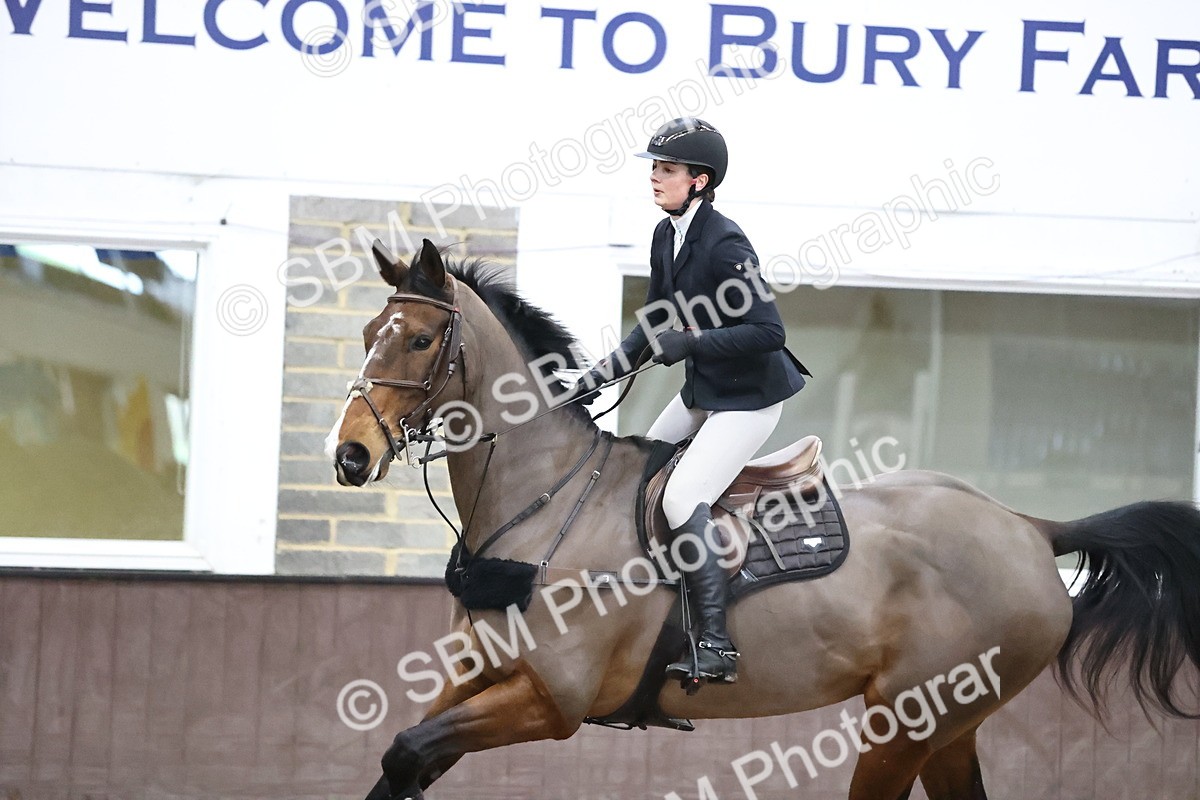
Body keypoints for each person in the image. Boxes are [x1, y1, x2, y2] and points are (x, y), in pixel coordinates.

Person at [573, 117, 810, 685]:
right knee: (636, 471)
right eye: (654, 167)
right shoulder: (666, 235)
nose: (655, 177)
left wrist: (693, 341)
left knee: (681, 500)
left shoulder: (726, 243)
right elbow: (656, 321)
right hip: (706, 391)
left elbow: (769, 331)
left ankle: (716, 643)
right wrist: (596, 376)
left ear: (699, 182)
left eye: (667, 170)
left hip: (748, 401)